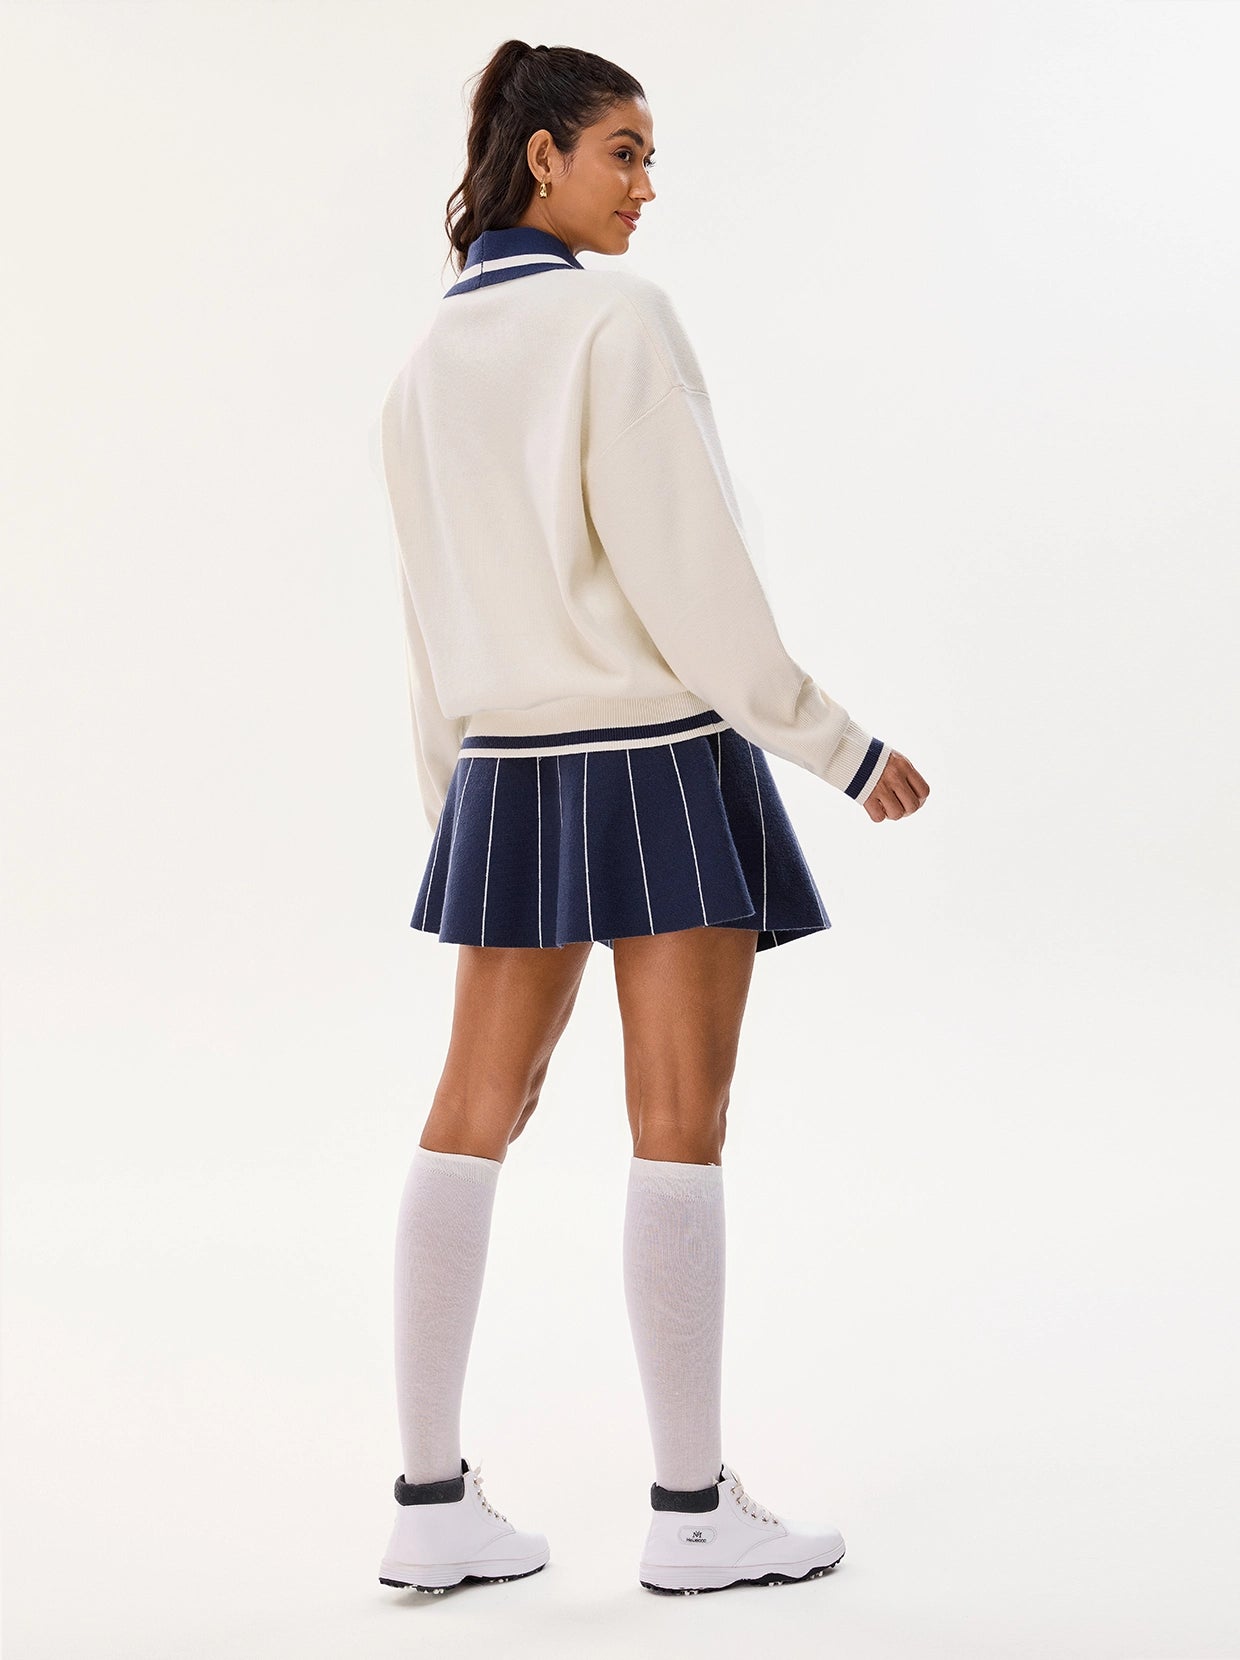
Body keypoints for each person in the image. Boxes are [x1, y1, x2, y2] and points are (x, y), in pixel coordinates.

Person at [373, 38, 930, 1599]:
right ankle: (692, 1515)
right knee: (678, 1123)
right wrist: (837, 744)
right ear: (541, 156)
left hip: (505, 776)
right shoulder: (617, 322)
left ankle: (427, 1500)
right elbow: (695, 579)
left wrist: (457, 811)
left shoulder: (420, 368)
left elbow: (427, 626)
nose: (645, 186)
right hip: (661, 758)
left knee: (469, 1113)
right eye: (623, 150)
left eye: (650, 156)